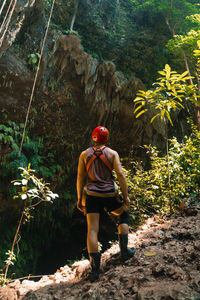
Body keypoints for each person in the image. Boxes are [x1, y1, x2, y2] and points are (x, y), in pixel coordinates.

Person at [76, 126, 135, 282]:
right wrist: (126, 196)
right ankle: (124, 252)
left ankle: (95, 270)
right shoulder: (112, 154)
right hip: (109, 193)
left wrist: (79, 199)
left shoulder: (84, 155)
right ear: (106, 138)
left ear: (93, 137)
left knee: (92, 229)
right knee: (123, 215)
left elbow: (80, 178)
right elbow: (120, 175)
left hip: (91, 196)